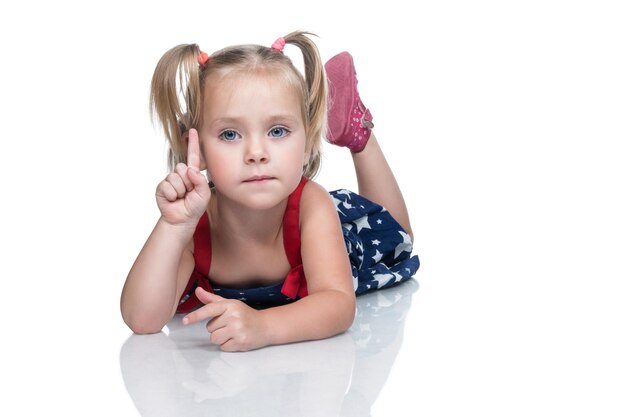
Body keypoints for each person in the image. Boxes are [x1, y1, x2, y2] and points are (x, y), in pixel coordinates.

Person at [121, 31, 420, 352]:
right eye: (231, 134)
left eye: (277, 131)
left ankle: (358, 134)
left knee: (397, 236)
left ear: (307, 144)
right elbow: (143, 319)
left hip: (341, 238)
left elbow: (338, 304)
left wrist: (264, 326)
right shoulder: (194, 224)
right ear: (198, 150)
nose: (256, 153)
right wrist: (173, 227)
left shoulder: (312, 204)